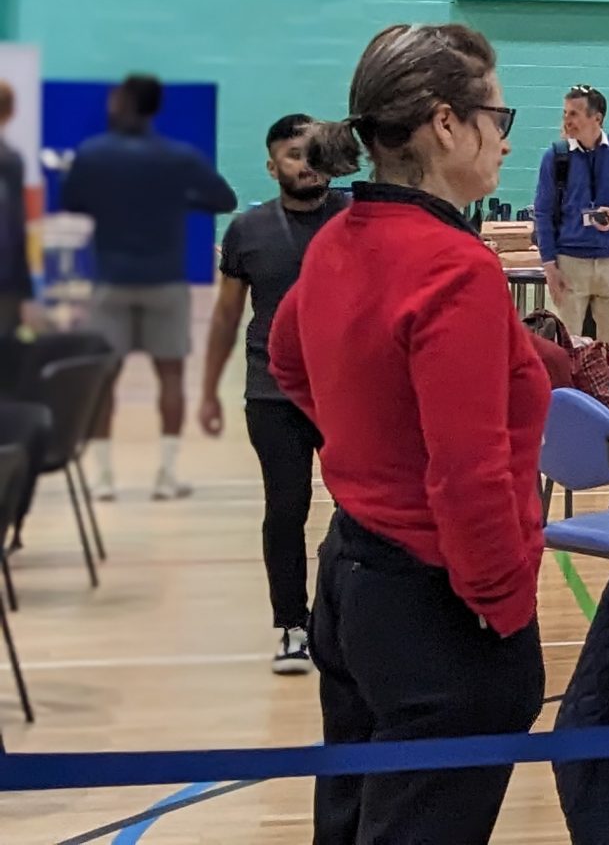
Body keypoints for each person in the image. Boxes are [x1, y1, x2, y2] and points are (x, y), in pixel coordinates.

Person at [268, 24, 548, 845]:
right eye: (499, 116)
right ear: (446, 124)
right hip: (439, 613)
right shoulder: (454, 267)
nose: (503, 138)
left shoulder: (338, 239)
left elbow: (290, 361)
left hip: (353, 582)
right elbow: (469, 476)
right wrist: (503, 611)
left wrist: (368, 446)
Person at [201, 114, 349, 676]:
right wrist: (210, 391)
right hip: (273, 393)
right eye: (294, 155)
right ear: (272, 167)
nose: (306, 164)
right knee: (285, 510)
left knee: (360, 508)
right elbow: (224, 316)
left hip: (345, 391)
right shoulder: (248, 230)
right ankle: (292, 626)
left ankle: (350, 621)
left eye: (314, 153)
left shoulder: (356, 217)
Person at [59, 72, 238, 501]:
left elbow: (71, 200)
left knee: (105, 378)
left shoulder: (93, 153)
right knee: (171, 374)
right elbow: (224, 200)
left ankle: (103, 479)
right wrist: (180, 202)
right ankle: (167, 474)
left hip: (111, 281)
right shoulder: (178, 156)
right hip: (165, 281)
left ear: (124, 103)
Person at [533, 83, 609, 381]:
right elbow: (543, 213)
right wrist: (549, 265)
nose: (567, 120)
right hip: (570, 262)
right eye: (565, 113)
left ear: (596, 118)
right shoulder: (556, 156)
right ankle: (563, 420)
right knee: (564, 351)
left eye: (574, 114)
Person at [0, 82, 35, 333]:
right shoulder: (10, 161)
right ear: (11, 113)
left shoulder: (11, 161)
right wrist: (25, 286)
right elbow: (15, 224)